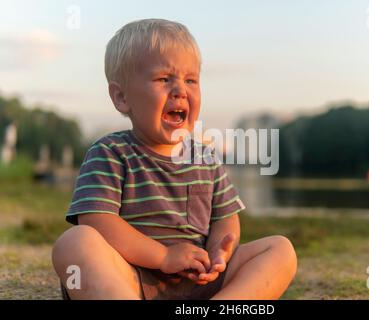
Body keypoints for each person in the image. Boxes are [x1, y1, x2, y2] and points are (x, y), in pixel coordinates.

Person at [51, 18, 297, 300]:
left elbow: (225, 219)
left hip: (200, 284)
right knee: (74, 242)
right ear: (121, 97)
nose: (181, 90)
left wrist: (220, 250)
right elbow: (97, 220)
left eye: (191, 80)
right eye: (164, 79)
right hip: (131, 280)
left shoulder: (206, 159)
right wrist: (163, 256)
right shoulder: (110, 153)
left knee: (280, 250)